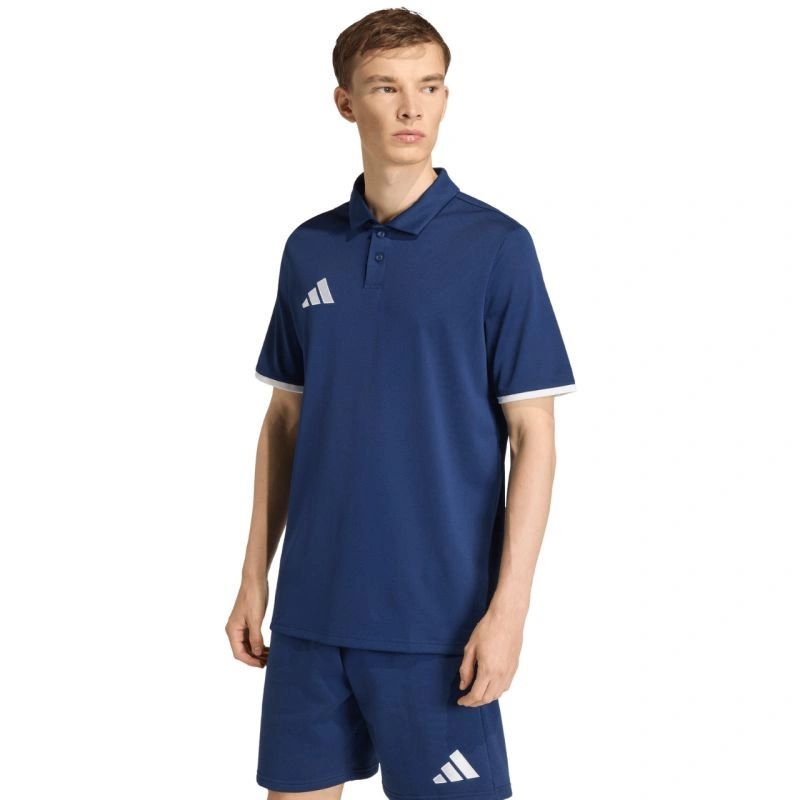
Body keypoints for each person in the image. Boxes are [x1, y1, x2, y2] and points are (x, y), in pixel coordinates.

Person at [225, 8, 576, 799]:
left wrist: (509, 610)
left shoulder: (498, 248)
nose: (412, 108)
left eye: (430, 86)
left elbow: (535, 436)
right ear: (347, 102)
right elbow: (285, 421)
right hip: (310, 618)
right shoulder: (309, 249)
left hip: (437, 625)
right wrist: (254, 576)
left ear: (447, 97)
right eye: (386, 88)